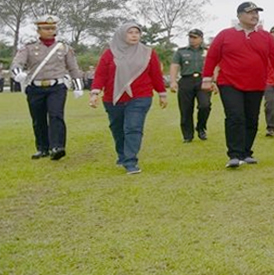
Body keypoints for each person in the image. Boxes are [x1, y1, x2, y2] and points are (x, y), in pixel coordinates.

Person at [201, 2, 274, 169]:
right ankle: (234, 154)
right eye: (250, 13)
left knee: (251, 118)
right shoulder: (225, 35)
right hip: (229, 82)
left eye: (256, 13)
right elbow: (212, 56)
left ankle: (246, 152)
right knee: (235, 116)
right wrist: (207, 78)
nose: (254, 16)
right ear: (239, 16)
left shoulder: (265, 36)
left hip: (255, 83)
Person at [88, 22, 168, 174]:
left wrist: (162, 94)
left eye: (136, 33)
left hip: (140, 96)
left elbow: (156, 75)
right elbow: (100, 75)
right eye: (130, 32)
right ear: (121, 34)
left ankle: (131, 161)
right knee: (117, 129)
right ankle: (123, 155)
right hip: (113, 98)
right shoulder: (109, 53)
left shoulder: (148, 53)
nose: (134, 35)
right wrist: (94, 93)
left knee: (133, 127)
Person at [12, 16, 83, 160]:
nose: (50, 31)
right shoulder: (29, 47)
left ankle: (57, 147)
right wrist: (18, 74)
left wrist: (78, 86)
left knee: (56, 115)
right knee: (38, 119)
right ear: (38, 30)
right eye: (46, 28)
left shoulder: (64, 47)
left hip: (57, 86)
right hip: (35, 87)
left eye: (52, 28)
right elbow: (17, 64)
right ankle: (42, 148)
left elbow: (73, 68)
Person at [169, 29, 211, 143]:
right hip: (186, 80)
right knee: (186, 109)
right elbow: (174, 66)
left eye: (195, 37)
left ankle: (201, 127)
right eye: (190, 37)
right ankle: (188, 135)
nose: (192, 39)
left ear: (201, 38)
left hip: (203, 80)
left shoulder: (208, 51)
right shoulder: (181, 52)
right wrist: (173, 81)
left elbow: (215, 65)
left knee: (205, 105)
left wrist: (214, 81)